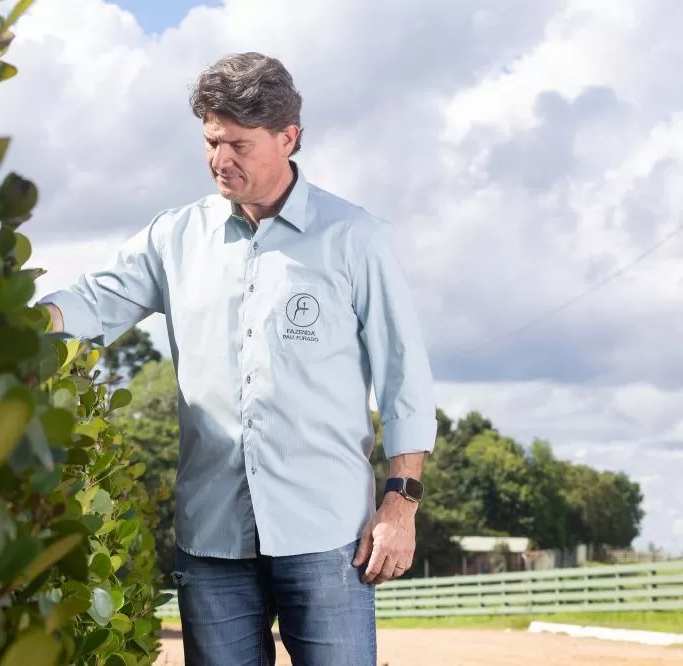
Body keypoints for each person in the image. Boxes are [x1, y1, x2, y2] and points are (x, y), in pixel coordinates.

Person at [38, 52, 436, 666]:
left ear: (288, 138)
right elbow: (96, 300)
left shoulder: (356, 239)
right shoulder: (173, 237)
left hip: (329, 537)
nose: (221, 160)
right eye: (211, 141)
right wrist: (19, 323)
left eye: (239, 145)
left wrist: (400, 505)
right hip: (212, 537)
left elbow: (403, 378)